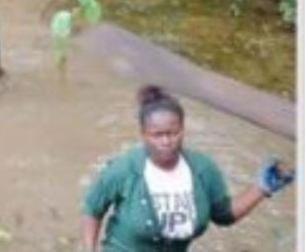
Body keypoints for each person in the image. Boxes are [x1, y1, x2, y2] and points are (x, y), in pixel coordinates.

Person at [82, 86, 294, 250]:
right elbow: (93, 208)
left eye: (172, 133)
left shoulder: (203, 169)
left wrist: (262, 188)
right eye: (157, 134)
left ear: (183, 130)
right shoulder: (124, 169)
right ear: (144, 134)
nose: (166, 141)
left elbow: (223, 215)